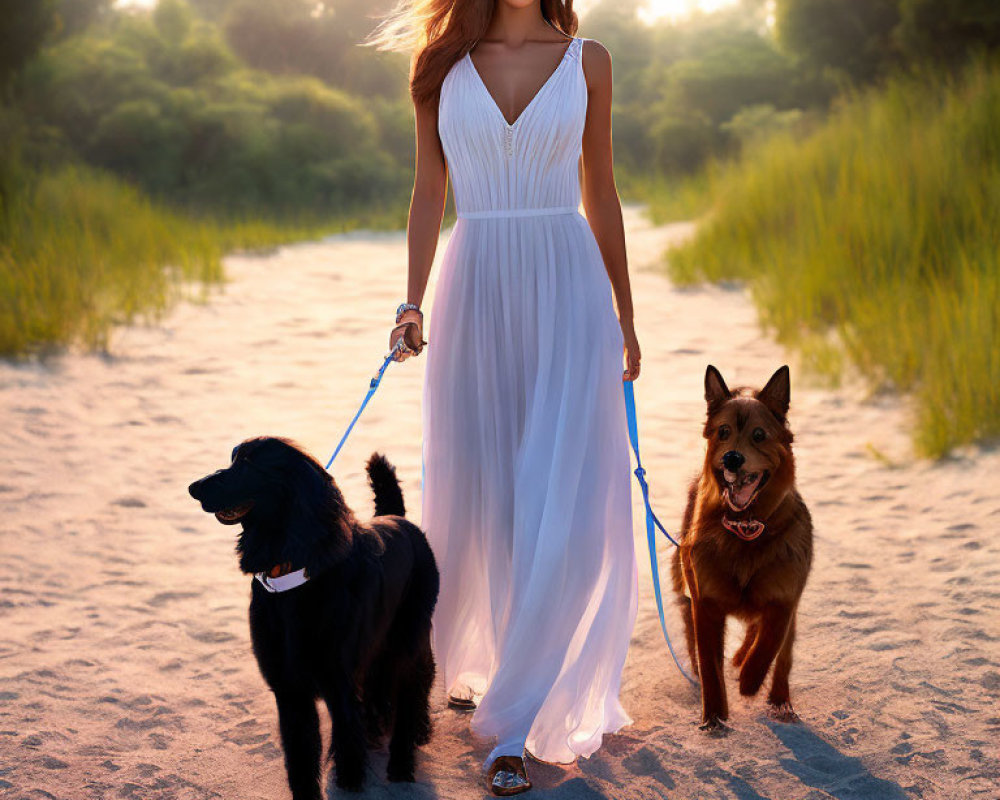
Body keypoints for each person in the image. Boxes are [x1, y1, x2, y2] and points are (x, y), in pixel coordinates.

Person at [368, 0, 641, 794]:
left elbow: (604, 193)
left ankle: (516, 723)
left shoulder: (590, 61)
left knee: (560, 494)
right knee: (478, 490)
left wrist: (625, 313)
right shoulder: (437, 65)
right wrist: (409, 303)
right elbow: (428, 190)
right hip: (474, 283)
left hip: (568, 287)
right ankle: (463, 666)